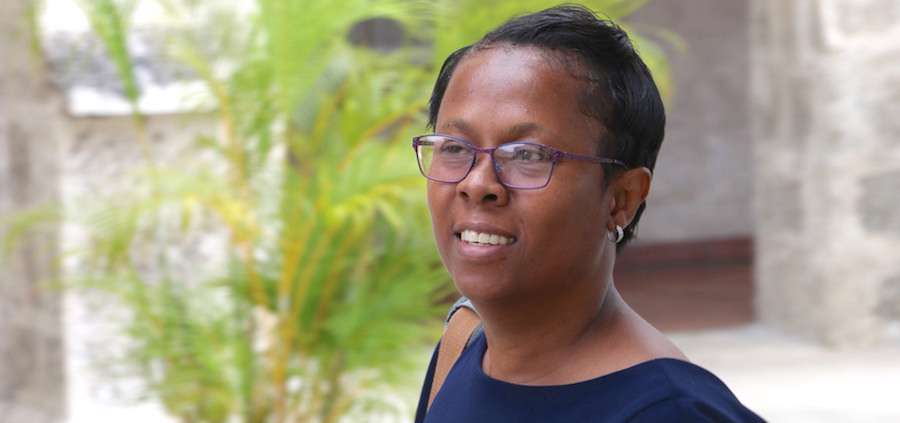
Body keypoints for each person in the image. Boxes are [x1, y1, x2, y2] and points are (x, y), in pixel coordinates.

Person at [411, 5, 764, 423]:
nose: (477, 183)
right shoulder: (462, 344)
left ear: (621, 199)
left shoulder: (667, 412)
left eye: (527, 155)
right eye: (455, 147)